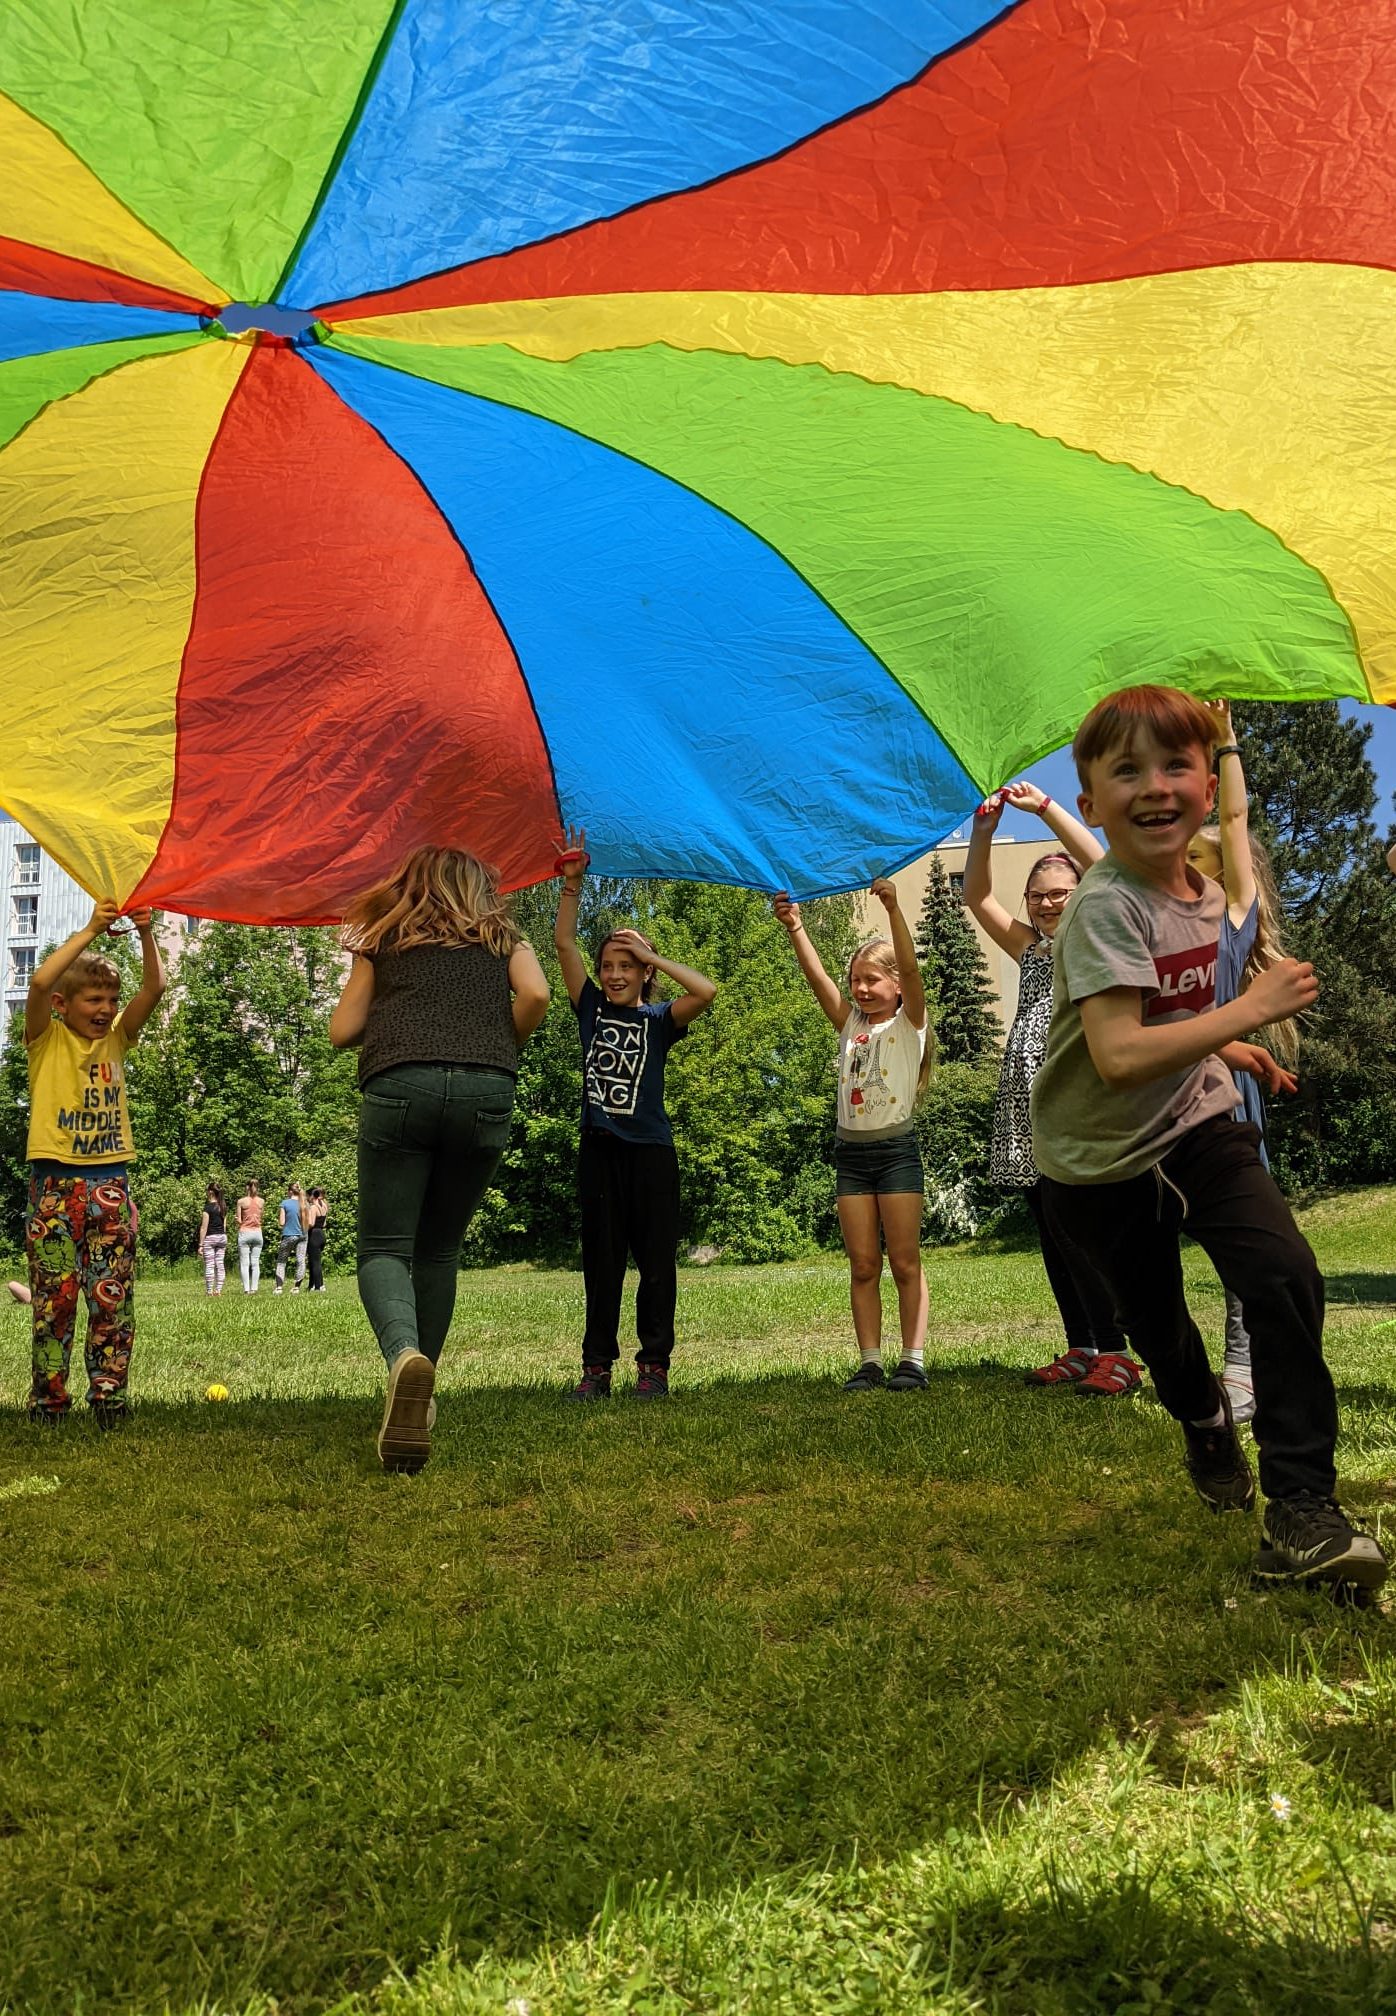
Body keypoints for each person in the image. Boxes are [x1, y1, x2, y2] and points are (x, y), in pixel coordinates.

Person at [1031, 684, 1386, 1595]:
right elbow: (1114, 1054)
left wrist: (1231, 1047)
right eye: (1127, 772)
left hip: (1195, 1121)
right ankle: (1202, 1421)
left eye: (1176, 764)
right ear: (1091, 807)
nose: (1155, 786)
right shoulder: (1105, 906)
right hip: (1095, 1163)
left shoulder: (1205, 891)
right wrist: (1248, 1013)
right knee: (1163, 1335)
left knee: (1284, 1274)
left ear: (1203, 781)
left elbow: (1169, 1009)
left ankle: (1302, 1507)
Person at [330, 845, 549, 1472]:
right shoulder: (502, 935)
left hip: (400, 1085)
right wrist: (491, 1041)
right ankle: (420, 1406)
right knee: (439, 1249)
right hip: (488, 1089)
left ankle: (404, 1359)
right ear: (479, 889)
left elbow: (342, 1031)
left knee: (383, 1249)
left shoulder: (384, 937)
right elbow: (534, 996)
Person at [964, 780, 1140, 1397]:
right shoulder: (1030, 947)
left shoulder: (1093, 933)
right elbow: (975, 894)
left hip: (1075, 1095)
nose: (1048, 904)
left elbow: (1105, 863)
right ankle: (1082, 1345)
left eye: (1060, 893)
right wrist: (984, 829)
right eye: (1038, 896)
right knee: (1050, 1227)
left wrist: (1044, 809)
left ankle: (1118, 1352)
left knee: (1083, 1227)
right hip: (1025, 1103)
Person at [554, 828, 716, 1400]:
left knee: (655, 1266)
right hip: (599, 1151)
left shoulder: (660, 1020)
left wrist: (654, 956)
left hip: (651, 1154)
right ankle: (596, 1368)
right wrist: (572, 887)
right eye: (610, 965)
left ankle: (654, 1367)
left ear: (645, 972)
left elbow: (707, 990)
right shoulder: (591, 1008)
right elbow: (565, 948)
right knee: (602, 1266)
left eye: (628, 965)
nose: (616, 973)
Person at [1186, 701, 1301, 1424]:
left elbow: (1232, 825)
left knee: (1244, 1246)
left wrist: (1227, 744)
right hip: (1155, 1108)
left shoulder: (1232, 928)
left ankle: (1242, 1369)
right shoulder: (1149, 928)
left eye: (1208, 863)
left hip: (1225, 1108)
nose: (1193, 868)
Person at [774, 876, 932, 1392]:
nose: (862, 989)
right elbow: (818, 979)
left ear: (896, 986)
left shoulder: (910, 1023)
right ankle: (869, 1360)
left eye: (872, 980)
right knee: (864, 1264)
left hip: (897, 1153)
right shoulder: (849, 1025)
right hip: (852, 1156)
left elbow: (911, 966)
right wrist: (796, 927)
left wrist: (893, 908)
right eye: (856, 980)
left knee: (905, 1261)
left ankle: (912, 1359)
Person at [21, 898, 165, 1423]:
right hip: (54, 1188)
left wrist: (146, 933)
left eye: (111, 999)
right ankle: (49, 1403)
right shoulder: (45, 1039)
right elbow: (38, 984)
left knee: (112, 1301)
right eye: (94, 1000)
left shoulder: (118, 1041)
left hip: (110, 1183)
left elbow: (156, 989)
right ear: (64, 1004)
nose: (105, 1009)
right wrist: (91, 929)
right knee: (53, 1303)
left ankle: (109, 1399)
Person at [273, 1182, 308, 1295]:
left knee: (282, 1261)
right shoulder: (305, 1204)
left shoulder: (285, 1203)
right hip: (303, 1235)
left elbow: (282, 1222)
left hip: (289, 1235)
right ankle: (296, 1288)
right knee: (300, 1260)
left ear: (290, 1191)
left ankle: (279, 1288)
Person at [197, 1182, 228, 1296]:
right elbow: (224, 1226)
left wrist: (200, 1245)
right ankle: (218, 1290)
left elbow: (204, 1227)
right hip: (222, 1237)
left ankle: (209, 1291)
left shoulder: (208, 1208)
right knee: (220, 1264)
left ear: (210, 1192)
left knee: (210, 1264)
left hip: (210, 1238)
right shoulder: (223, 1207)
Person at [235, 1179, 264, 1293]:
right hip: (257, 1232)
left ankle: (246, 1289)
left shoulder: (241, 1201)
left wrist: (236, 1220)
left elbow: (239, 1220)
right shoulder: (261, 1201)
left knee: (244, 1263)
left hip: (245, 1231)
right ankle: (254, 1288)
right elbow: (261, 1217)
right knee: (255, 1262)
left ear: (247, 1187)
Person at [305, 1188, 329, 1293]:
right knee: (317, 1261)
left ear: (312, 1196)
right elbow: (324, 1224)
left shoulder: (313, 1208)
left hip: (314, 1235)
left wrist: (303, 1228)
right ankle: (315, 1284)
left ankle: (318, 1286)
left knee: (315, 1262)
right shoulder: (324, 1206)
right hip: (321, 1234)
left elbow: (311, 1223)